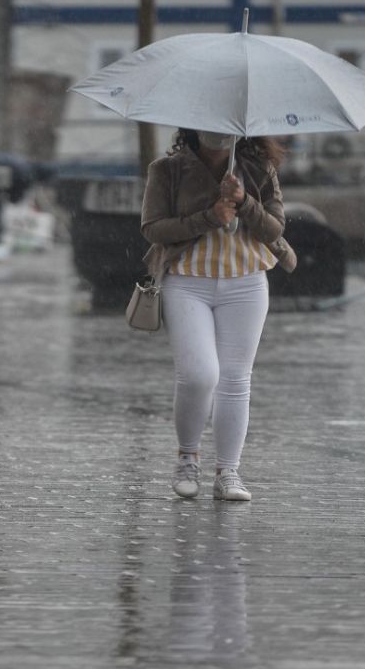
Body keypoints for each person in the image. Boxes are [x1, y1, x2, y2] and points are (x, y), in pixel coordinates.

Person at [139, 129, 288, 502]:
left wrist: (245, 202)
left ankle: (228, 470)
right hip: (187, 281)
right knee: (199, 374)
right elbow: (153, 228)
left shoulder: (259, 169)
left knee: (235, 379)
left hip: (247, 282)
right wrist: (210, 216)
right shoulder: (167, 170)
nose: (218, 135)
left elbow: (275, 228)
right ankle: (187, 456)